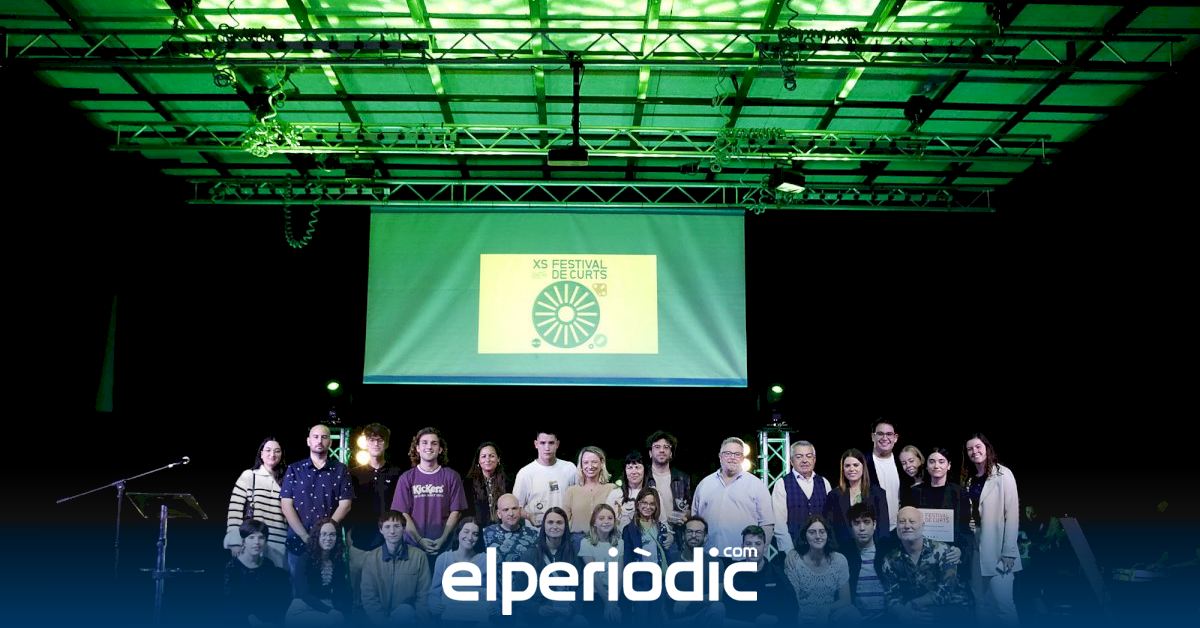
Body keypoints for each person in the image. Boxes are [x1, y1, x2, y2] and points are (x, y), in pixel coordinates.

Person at [280, 425, 354, 581]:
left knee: (330, 586)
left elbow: (345, 505)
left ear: (330, 442)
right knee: (298, 589)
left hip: (329, 544)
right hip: (298, 542)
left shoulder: (341, 470)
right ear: (308, 441)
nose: (319, 440)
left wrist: (325, 534)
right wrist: (306, 537)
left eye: (324, 437)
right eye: (315, 437)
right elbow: (286, 506)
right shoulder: (294, 469)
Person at [964, 433, 1021, 626]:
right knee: (981, 603)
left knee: (1003, 605)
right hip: (976, 546)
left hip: (998, 548)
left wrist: (1009, 551)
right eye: (970, 449)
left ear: (987, 448)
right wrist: (972, 522)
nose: (974, 451)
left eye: (978, 447)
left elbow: (1012, 514)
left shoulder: (1003, 474)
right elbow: (975, 509)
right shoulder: (971, 479)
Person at [879, 507, 972, 623]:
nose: (907, 526)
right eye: (902, 522)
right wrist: (903, 613)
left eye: (912, 521)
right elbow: (891, 596)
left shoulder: (943, 551)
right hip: (912, 613)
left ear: (922, 526)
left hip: (950, 610)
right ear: (897, 527)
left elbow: (946, 592)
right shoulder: (890, 560)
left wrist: (912, 604)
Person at [391, 427, 468, 563]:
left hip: (445, 547)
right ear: (417, 448)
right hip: (412, 547)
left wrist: (442, 539)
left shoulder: (452, 476)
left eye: (434, 443)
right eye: (424, 442)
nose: (429, 447)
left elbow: (456, 512)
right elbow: (403, 514)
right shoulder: (406, 478)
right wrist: (419, 540)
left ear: (440, 449)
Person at [346, 424, 402, 606]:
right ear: (366, 443)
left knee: (386, 595)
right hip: (360, 542)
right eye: (372, 440)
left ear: (386, 444)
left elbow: (402, 508)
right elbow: (348, 508)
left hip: (388, 542)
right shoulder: (353, 474)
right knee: (357, 596)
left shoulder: (397, 473)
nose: (376, 443)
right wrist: (348, 535)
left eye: (380, 440)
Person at [692, 437, 774, 553]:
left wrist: (759, 554)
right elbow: (694, 522)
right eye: (727, 453)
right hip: (709, 555)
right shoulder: (704, 484)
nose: (732, 457)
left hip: (743, 557)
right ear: (720, 456)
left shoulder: (757, 485)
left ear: (743, 458)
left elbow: (767, 524)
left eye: (737, 454)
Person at [225, 437, 289, 569]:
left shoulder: (287, 479)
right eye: (268, 450)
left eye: (277, 451)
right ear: (261, 453)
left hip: (279, 542)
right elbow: (234, 511)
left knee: (277, 579)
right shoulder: (250, 476)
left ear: (282, 455)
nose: (272, 454)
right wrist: (235, 541)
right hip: (253, 541)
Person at [360, 510, 431, 626]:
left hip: (410, 620)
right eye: (387, 527)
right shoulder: (371, 559)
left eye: (397, 526)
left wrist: (420, 622)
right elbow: (369, 597)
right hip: (380, 622)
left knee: (405, 611)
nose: (392, 531)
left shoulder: (419, 556)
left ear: (404, 528)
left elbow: (424, 595)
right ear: (381, 530)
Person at [516, 507, 585, 624]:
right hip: (539, 616)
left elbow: (582, 586)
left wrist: (573, 608)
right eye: (550, 522)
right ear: (544, 526)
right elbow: (518, 592)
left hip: (566, 612)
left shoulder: (574, 554)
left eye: (559, 522)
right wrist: (538, 609)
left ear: (565, 526)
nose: (555, 526)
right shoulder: (530, 556)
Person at [783, 515, 857, 623]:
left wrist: (826, 610)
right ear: (805, 536)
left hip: (830, 614)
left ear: (827, 535)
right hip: (804, 615)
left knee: (853, 613)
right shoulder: (795, 562)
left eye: (822, 532)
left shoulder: (839, 560)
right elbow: (794, 602)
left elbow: (846, 600)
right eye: (812, 532)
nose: (818, 536)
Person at [724, 525, 797, 625]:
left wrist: (777, 619)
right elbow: (727, 609)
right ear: (742, 547)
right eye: (748, 544)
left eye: (758, 544)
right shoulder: (733, 574)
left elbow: (792, 607)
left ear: (764, 546)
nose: (753, 548)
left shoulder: (777, 573)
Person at [223, 519, 291, 626]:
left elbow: (275, 601)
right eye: (251, 537)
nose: (257, 542)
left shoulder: (269, 566)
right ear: (243, 541)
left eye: (261, 538)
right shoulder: (232, 568)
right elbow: (230, 605)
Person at [286, 518, 351, 627]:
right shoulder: (305, 558)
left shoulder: (337, 561)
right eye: (324, 534)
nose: (328, 538)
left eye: (332, 535)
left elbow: (340, 591)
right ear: (317, 537)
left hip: (327, 604)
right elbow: (303, 593)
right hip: (303, 606)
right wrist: (330, 611)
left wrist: (341, 612)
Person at [771, 440, 833, 553]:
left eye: (809, 456)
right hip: (794, 548)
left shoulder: (824, 482)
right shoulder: (782, 484)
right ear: (791, 461)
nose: (804, 460)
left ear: (814, 459)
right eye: (799, 457)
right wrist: (789, 551)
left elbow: (830, 519)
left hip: (822, 550)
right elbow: (779, 524)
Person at [663, 515, 725, 626]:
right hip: (677, 619)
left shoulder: (715, 562)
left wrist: (689, 600)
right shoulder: (671, 560)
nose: (693, 536)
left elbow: (717, 595)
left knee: (718, 608)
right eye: (689, 531)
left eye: (698, 532)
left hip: (702, 616)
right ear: (683, 536)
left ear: (705, 537)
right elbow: (666, 593)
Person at [824, 448, 889, 552]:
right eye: (847, 466)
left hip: (873, 551)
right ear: (842, 469)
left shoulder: (878, 493)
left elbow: (883, 527)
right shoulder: (834, 495)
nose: (851, 469)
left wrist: (881, 553)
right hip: (843, 551)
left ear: (863, 467)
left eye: (855, 465)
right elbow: (829, 527)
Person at [512, 430, 578, 528]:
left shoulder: (570, 468)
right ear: (536, 444)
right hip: (536, 532)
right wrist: (529, 516)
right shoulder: (525, 473)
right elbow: (515, 507)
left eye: (551, 443)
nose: (547, 448)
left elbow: (579, 498)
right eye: (542, 443)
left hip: (565, 530)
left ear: (557, 444)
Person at [430, 517, 486, 624]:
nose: (470, 537)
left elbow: (495, 594)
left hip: (477, 619)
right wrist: (434, 604)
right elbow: (434, 593)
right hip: (449, 619)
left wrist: (495, 606)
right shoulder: (443, 559)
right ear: (458, 533)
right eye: (466, 532)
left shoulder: (486, 560)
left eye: (475, 534)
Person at [576, 504, 623, 623]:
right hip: (595, 593)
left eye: (610, 518)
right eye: (601, 518)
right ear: (594, 523)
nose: (606, 521)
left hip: (615, 593)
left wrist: (613, 602)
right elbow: (594, 576)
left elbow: (619, 575)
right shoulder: (586, 543)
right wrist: (607, 602)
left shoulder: (620, 543)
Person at [562, 445, 616, 549]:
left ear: (602, 463)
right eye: (586, 462)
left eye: (594, 462)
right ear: (581, 465)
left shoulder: (611, 489)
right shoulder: (571, 491)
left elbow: (617, 519)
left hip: (605, 541)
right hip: (577, 543)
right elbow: (563, 521)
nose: (590, 466)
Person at [645, 430, 693, 536]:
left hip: (676, 534)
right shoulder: (643, 477)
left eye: (666, 447)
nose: (662, 450)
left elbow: (691, 508)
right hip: (649, 534)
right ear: (650, 453)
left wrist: (685, 516)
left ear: (671, 454)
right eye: (657, 447)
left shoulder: (683, 478)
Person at [866, 419, 903, 531]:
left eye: (889, 434)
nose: (885, 438)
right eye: (880, 434)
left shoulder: (902, 463)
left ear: (895, 438)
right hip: (872, 531)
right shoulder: (862, 463)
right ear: (873, 436)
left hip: (899, 529)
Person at [482, 493, 539, 562]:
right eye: (506, 510)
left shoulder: (533, 534)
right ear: (499, 514)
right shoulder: (486, 533)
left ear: (520, 511)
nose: (511, 513)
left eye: (514, 508)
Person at [465, 442, 507, 528]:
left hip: (502, 529)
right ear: (478, 461)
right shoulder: (468, 483)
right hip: (477, 529)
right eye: (483, 456)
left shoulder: (507, 482)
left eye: (492, 456)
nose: (488, 459)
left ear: (498, 459)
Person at [607, 451, 648, 530]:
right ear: (625, 471)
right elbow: (606, 520)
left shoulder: (652, 493)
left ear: (644, 470)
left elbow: (662, 522)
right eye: (630, 467)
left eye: (637, 467)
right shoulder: (615, 494)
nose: (634, 472)